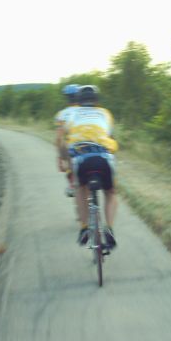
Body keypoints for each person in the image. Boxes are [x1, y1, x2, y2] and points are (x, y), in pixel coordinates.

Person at [63, 85, 119, 249]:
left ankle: (84, 228)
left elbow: (62, 140)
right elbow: (110, 136)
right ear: (96, 100)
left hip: (82, 160)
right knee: (111, 193)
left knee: (80, 189)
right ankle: (109, 228)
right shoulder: (105, 113)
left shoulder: (71, 114)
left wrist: (66, 160)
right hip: (103, 158)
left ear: (78, 101)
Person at [54, 84, 79, 197]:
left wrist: (60, 157)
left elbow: (59, 138)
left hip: (72, 148)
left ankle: (72, 184)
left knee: (64, 145)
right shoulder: (87, 111)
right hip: (90, 144)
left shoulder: (62, 114)